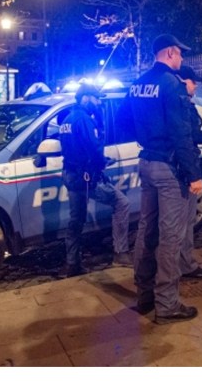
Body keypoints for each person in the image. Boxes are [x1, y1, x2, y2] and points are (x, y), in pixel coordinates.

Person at [118, 34, 202, 324]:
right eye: (179, 54)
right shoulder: (171, 84)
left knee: (146, 229)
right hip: (169, 168)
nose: (182, 60)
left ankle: (144, 295)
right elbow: (182, 133)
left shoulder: (138, 83)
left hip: (146, 161)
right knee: (170, 237)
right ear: (168, 53)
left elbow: (122, 122)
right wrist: (194, 175)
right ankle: (166, 304)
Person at [59, 83, 133, 277]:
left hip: (71, 175)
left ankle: (72, 263)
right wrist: (101, 164)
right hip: (87, 177)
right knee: (122, 203)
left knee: (76, 220)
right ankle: (121, 252)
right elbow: (95, 149)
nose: (99, 102)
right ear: (86, 98)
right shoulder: (84, 120)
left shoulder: (67, 119)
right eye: (96, 98)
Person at [175, 64, 202, 281]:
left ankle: (181, 264)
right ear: (182, 81)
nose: (195, 85)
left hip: (174, 165)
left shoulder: (181, 102)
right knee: (185, 221)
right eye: (192, 81)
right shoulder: (181, 104)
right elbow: (188, 137)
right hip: (183, 168)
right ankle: (185, 266)